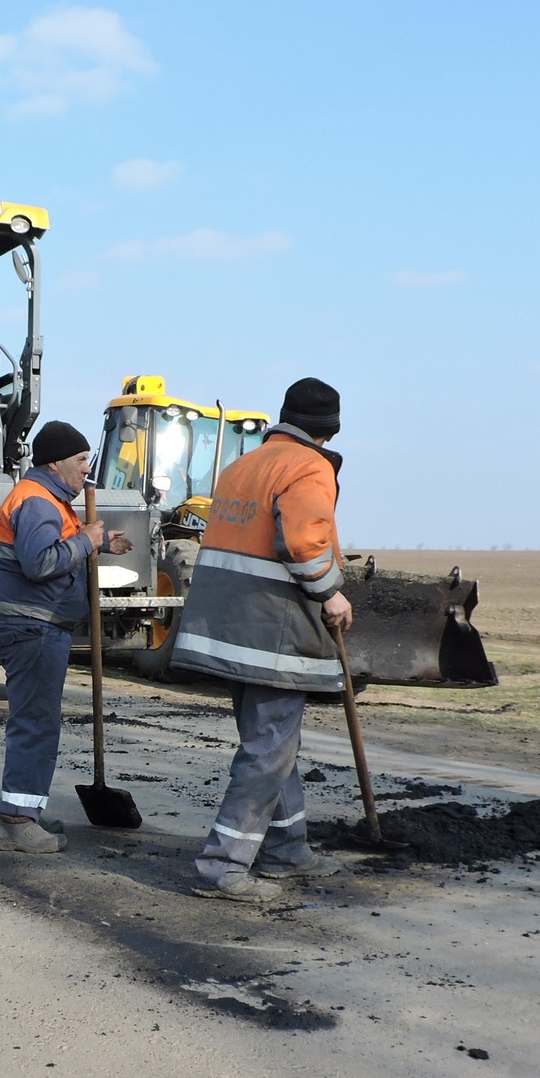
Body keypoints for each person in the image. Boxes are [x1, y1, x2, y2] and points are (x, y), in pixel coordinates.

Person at [168, 378, 354, 902]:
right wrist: (331, 593)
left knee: (275, 747)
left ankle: (286, 849)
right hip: (272, 636)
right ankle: (221, 868)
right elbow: (301, 540)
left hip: (227, 632)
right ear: (328, 430)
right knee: (269, 750)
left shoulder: (241, 466)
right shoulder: (308, 466)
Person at [0, 419, 132, 853]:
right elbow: (40, 563)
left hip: (36, 625)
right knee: (35, 725)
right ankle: (14, 824)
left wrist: (99, 543)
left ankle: (24, 812)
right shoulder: (37, 501)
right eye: (81, 460)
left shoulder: (47, 500)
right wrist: (86, 542)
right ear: (55, 462)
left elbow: (57, 545)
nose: (87, 468)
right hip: (32, 627)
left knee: (38, 722)